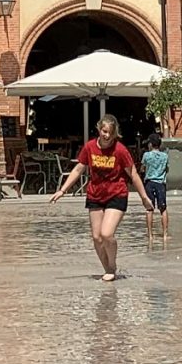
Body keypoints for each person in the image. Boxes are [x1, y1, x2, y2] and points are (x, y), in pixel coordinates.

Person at [54, 114, 142, 281]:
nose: (106, 135)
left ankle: (112, 265)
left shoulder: (120, 150)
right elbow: (78, 169)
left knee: (106, 234)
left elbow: (133, 174)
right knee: (96, 237)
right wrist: (62, 190)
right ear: (99, 129)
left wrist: (144, 197)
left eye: (109, 132)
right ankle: (107, 268)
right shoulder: (89, 147)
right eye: (103, 131)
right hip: (95, 194)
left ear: (115, 133)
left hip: (117, 193)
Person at [138, 131, 171, 234]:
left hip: (149, 183)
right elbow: (167, 169)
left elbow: (142, 169)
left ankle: (150, 235)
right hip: (161, 183)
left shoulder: (146, 155)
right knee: (163, 209)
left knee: (149, 209)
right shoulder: (165, 156)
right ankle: (165, 233)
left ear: (151, 144)